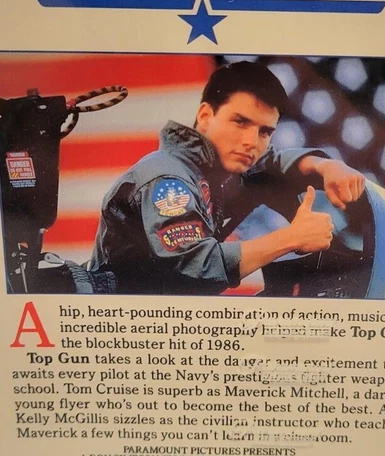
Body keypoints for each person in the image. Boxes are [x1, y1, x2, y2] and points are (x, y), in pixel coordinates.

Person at [90, 61, 365, 295]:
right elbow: (196, 269)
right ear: (205, 116)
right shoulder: (169, 179)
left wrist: (327, 166)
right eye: (240, 122)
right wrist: (292, 238)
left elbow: (273, 163)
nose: (251, 142)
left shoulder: (219, 166)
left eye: (264, 132)